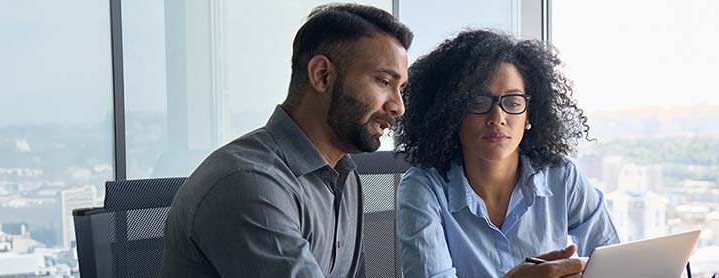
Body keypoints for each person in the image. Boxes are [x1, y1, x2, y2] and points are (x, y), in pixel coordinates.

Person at [160, 3, 412, 277]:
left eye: (401, 89)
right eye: (384, 82)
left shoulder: (344, 176)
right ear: (322, 75)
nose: (398, 106)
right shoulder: (251, 183)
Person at [393, 30, 619, 278]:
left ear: (529, 114)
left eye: (512, 102)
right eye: (479, 102)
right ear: (452, 111)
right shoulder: (423, 187)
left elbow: (616, 262)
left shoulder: (562, 176)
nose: (497, 118)